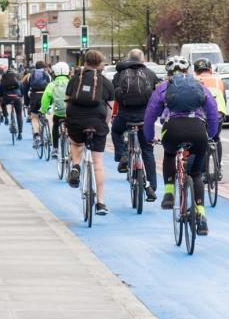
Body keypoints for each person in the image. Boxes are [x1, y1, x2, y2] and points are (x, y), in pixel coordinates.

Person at [144, 55, 219, 236]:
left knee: (170, 153)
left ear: (168, 73)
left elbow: (150, 115)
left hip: (173, 130)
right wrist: (211, 135)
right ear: (188, 72)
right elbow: (213, 112)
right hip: (198, 130)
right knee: (196, 174)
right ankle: (201, 217)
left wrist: (148, 137)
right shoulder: (199, 86)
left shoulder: (163, 88)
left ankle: (169, 194)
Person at [65, 50, 115, 216]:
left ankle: (77, 166)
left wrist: (70, 120)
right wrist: (105, 125)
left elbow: (66, 103)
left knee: (76, 143)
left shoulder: (75, 79)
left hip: (76, 119)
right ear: (100, 64)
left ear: (84, 62)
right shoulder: (106, 83)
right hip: (97, 122)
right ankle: (100, 203)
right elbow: (110, 110)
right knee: (98, 163)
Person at [111, 49, 159, 202]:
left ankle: (123, 155)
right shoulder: (150, 73)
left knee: (115, 131)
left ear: (128, 59)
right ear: (142, 59)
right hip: (145, 118)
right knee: (147, 151)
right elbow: (157, 94)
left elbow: (114, 94)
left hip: (125, 116)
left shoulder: (119, 74)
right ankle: (151, 187)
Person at [193, 58, 227, 180]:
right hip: (218, 113)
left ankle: (202, 172)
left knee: (201, 142)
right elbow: (224, 99)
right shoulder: (219, 81)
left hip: (202, 114)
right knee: (216, 138)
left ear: (196, 71)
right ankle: (218, 170)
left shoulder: (195, 80)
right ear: (210, 70)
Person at [40, 61, 71, 159]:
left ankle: (55, 148)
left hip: (58, 111)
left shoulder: (52, 84)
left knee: (55, 125)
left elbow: (45, 99)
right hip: (70, 112)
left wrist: (43, 110)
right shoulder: (71, 83)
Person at [23, 61, 51, 148]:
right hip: (45, 96)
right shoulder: (47, 75)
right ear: (44, 67)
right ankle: (50, 134)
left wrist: (26, 104)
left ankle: (37, 135)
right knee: (48, 115)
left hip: (34, 96)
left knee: (34, 117)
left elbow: (25, 90)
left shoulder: (30, 75)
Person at [0, 67, 24, 140]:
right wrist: (21, 96)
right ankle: (20, 133)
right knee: (19, 114)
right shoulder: (17, 79)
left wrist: (1, 97)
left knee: (3, 104)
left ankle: (6, 116)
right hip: (17, 97)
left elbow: (1, 90)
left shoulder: (3, 79)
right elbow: (22, 88)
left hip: (7, 97)